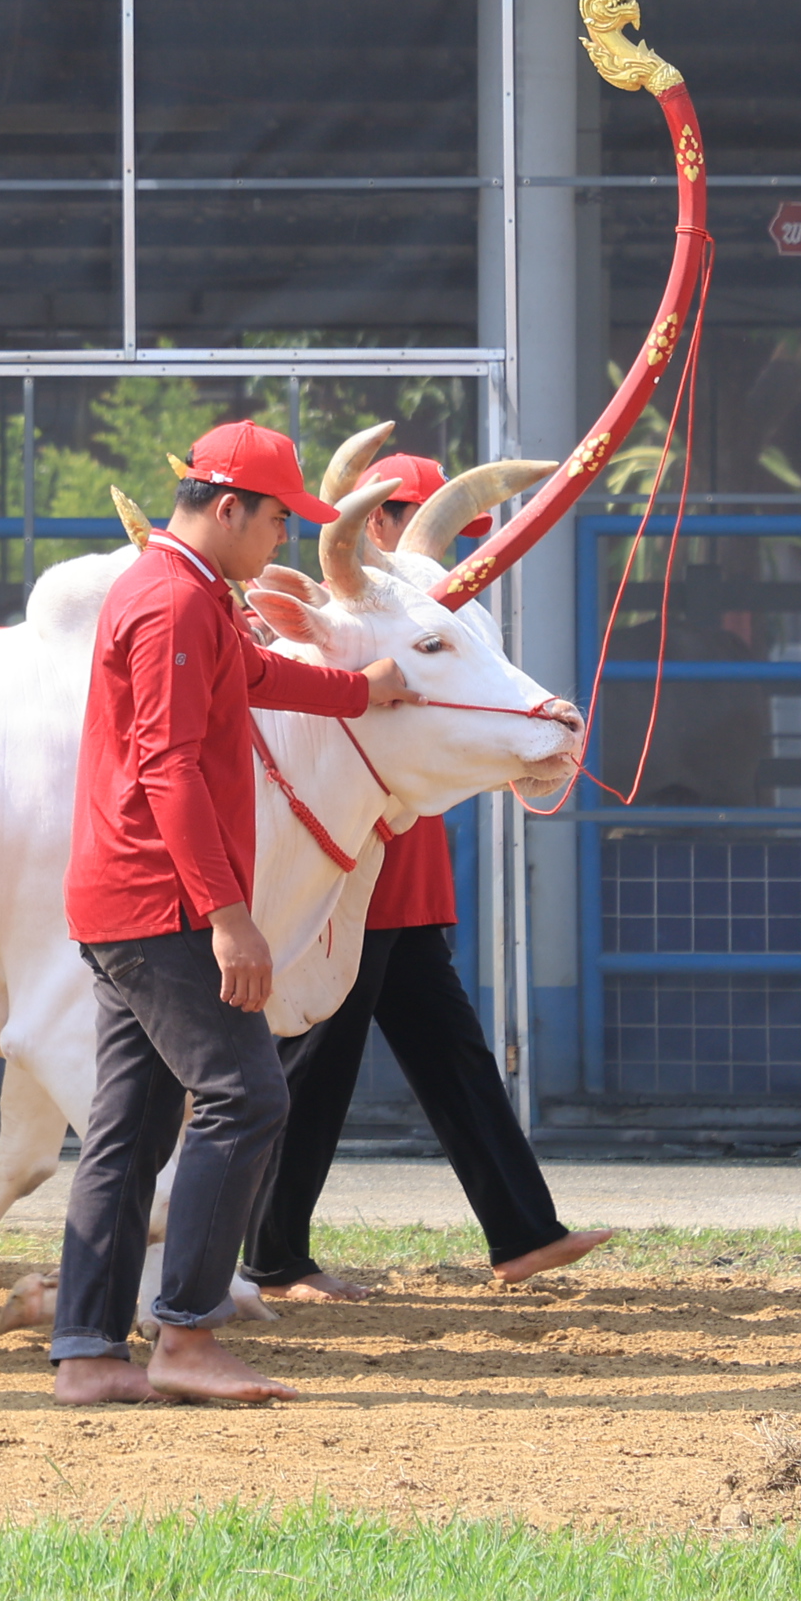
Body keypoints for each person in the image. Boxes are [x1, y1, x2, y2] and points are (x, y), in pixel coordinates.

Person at [48, 422, 412, 1408]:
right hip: (161, 901)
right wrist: (228, 915)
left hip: (125, 896)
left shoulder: (187, 594)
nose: (281, 544)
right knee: (246, 1097)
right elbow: (167, 766)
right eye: (277, 523)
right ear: (227, 508)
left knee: (129, 1129)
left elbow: (251, 680)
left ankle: (87, 1348)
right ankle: (187, 1335)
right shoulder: (173, 602)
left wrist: (358, 690)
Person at [246, 453, 611, 1300]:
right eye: (407, 514)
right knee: (317, 1061)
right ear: (376, 523)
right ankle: (271, 1256)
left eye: (472, 535)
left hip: (407, 865)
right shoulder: (355, 617)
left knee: (451, 1052)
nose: (461, 550)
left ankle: (522, 1230)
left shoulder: (448, 611)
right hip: (345, 868)